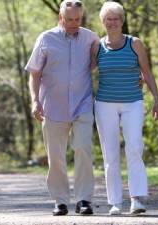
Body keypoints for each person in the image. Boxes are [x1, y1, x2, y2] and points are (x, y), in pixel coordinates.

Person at [25, 0, 99, 216]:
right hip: (52, 107)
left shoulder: (90, 38)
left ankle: (84, 199)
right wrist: (35, 100)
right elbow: (35, 73)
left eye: (78, 19)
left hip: (82, 104)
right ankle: (60, 200)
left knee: (83, 148)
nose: (74, 23)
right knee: (55, 155)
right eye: (70, 20)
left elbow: (100, 63)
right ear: (60, 18)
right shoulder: (46, 39)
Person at [93, 2, 158, 215]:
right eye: (108, 19)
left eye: (116, 19)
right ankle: (115, 202)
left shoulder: (135, 44)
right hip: (105, 104)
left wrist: (157, 99)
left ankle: (137, 199)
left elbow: (147, 73)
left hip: (133, 102)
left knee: (134, 147)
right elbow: (84, 72)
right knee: (110, 154)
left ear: (122, 21)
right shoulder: (97, 46)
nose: (112, 22)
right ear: (103, 22)